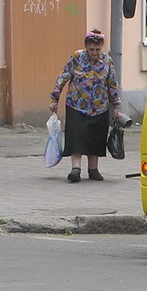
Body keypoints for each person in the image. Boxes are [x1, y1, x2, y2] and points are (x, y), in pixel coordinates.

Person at [49, 29, 121, 183]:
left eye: (97, 49)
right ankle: (76, 169)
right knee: (76, 136)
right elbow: (63, 77)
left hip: (100, 107)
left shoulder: (107, 61)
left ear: (101, 47)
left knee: (96, 137)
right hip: (77, 104)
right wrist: (55, 99)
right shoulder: (77, 58)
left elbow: (112, 84)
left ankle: (93, 170)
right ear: (86, 46)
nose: (94, 53)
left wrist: (116, 107)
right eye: (91, 49)